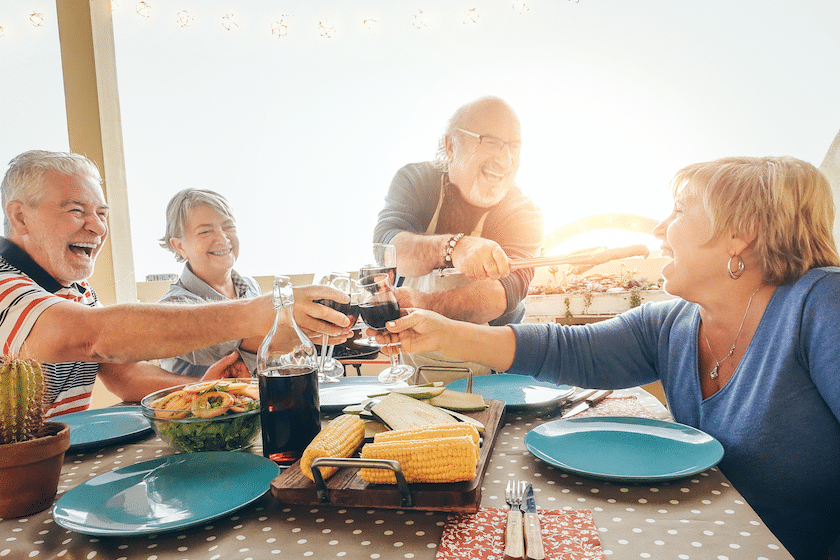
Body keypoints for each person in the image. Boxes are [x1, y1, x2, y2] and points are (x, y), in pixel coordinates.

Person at [373, 156, 840, 560]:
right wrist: (442, 332)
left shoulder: (821, 305)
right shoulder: (674, 324)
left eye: (679, 210)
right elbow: (566, 348)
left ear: (741, 235)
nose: (660, 229)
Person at [0, 150, 351, 418]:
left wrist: (205, 388)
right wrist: (263, 312)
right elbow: (95, 338)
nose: (97, 227)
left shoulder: (78, 291)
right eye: (76, 211)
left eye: (102, 214)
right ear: (20, 217)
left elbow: (127, 375)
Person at [372, 95, 543, 381]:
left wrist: (425, 306)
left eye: (513, 146)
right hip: (413, 371)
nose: (504, 159)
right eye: (489, 141)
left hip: (497, 376)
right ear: (451, 145)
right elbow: (388, 248)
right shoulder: (416, 181)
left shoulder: (523, 212)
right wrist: (456, 248)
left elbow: (502, 293)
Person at [156, 188, 263, 377]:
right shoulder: (173, 306)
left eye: (229, 227)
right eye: (205, 231)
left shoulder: (251, 287)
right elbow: (244, 343)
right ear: (179, 246)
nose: (223, 238)